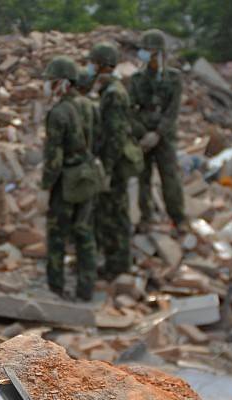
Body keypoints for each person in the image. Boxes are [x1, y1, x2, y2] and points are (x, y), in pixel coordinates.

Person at [41, 56, 98, 301]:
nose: (48, 86)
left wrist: (45, 187)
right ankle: (86, 289)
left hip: (65, 181)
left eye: (52, 81)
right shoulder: (89, 105)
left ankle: (56, 288)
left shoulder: (58, 113)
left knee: (57, 236)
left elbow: (54, 158)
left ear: (63, 83)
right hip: (88, 175)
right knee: (84, 233)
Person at [129, 29, 185, 232]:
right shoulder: (136, 79)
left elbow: (173, 110)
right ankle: (146, 218)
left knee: (170, 177)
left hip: (165, 135)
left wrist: (158, 133)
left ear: (161, 53)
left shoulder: (173, 78)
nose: (148, 56)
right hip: (143, 135)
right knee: (143, 178)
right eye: (145, 51)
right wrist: (142, 133)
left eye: (151, 51)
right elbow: (130, 109)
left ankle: (178, 218)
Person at [89, 42, 132, 279]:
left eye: (93, 63)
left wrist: (107, 168)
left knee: (115, 214)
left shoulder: (114, 94)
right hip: (111, 163)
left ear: (102, 65)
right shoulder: (110, 91)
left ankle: (119, 265)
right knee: (110, 213)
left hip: (114, 165)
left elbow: (115, 136)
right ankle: (115, 261)